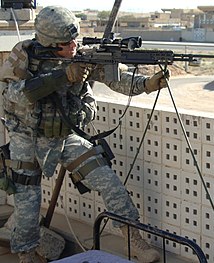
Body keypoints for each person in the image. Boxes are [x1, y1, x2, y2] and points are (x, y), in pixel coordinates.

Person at [0, 5, 168, 263]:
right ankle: (26, 254)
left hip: (65, 138)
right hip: (27, 138)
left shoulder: (81, 59)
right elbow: (13, 95)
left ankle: (132, 238)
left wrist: (146, 84)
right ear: (50, 45)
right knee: (27, 201)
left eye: (74, 41)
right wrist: (61, 76)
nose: (73, 47)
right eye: (66, 44)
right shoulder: (24, 56)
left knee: (107, 180)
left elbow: (115, 78)